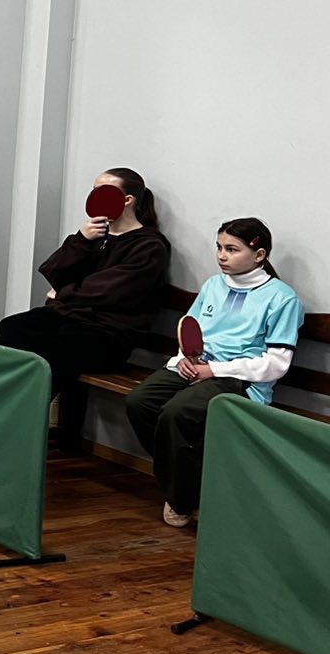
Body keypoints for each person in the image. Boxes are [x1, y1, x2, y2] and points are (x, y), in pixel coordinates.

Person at [124, 218, 303, 528]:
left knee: (177, 413)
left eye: (232, 249)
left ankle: (182, 499)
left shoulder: (283, 298)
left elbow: (276, 363)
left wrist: (214, 370)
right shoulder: (213, 285)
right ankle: (190, 479)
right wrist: (184, 358)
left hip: (241, 379)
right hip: (197, 367)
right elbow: (190, 330)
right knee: (139, 402)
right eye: (219, 247)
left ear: (259, 255)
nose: (221, 255)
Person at [0, 168, 169, 449]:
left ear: (128, 200)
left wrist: (64, 293)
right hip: (67, 317)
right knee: (12, 328)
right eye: (94, 189)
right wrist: (82, 240)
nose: (96, 195)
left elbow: (112, 292)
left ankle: (16, 432)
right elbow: (54, 271)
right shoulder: (94, 235)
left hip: (109, 334)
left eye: (105, 190)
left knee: (57, 349)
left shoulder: (150, 246)